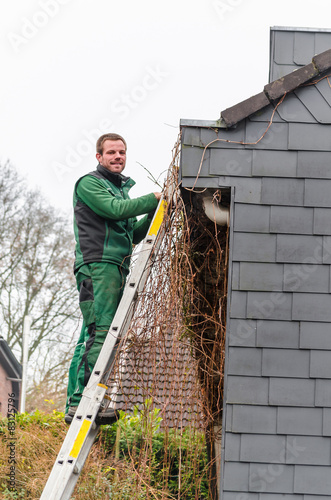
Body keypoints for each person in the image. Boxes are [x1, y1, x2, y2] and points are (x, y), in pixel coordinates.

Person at [65, 133, 161, 424]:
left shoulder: (122, 193)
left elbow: (131, 235)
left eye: (122, 152)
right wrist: (153, 197)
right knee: (101, 330)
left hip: (116, 266)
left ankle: (81, 398)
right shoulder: (90, 184)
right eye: (111, 153)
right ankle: (81, 400)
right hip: (98, 265)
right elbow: (113, 211)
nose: (118, 157)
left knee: (94, 331)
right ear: (99, 157)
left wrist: (155, 210)